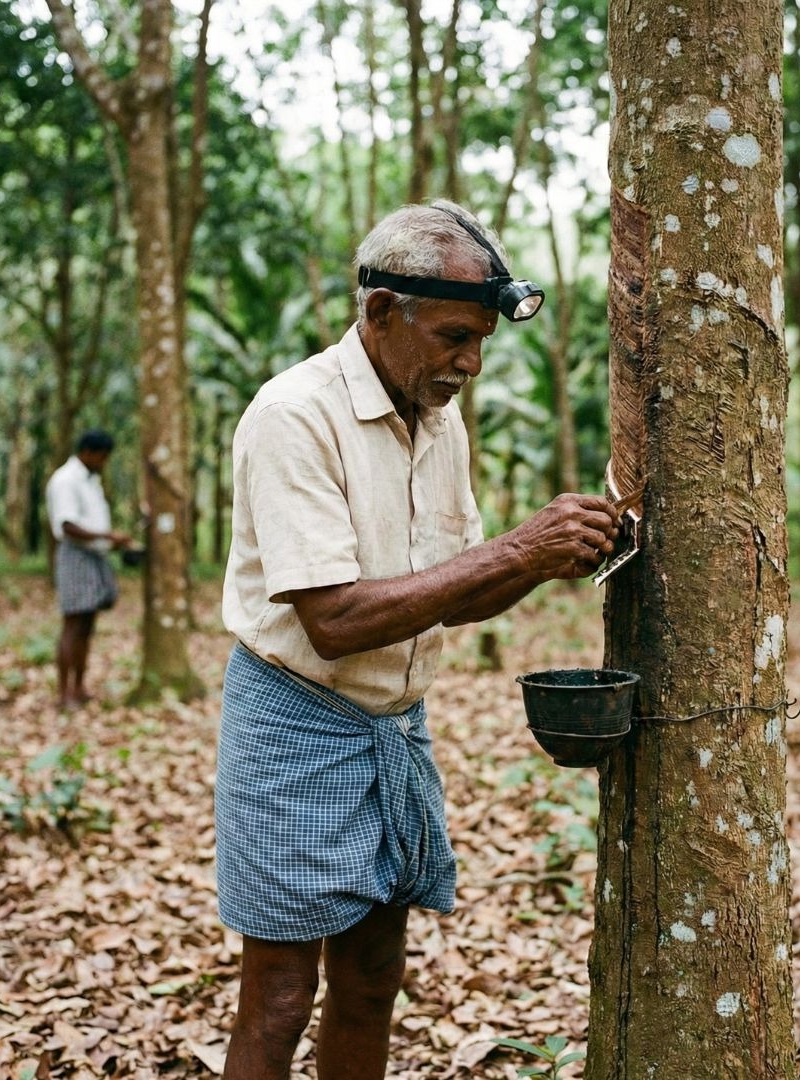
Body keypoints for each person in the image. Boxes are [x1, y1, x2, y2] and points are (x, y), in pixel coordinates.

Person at [216, 200, 621, 1080]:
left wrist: (550, 556)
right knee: (280, 998)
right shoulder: (294, 415)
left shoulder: (437, 417)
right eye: (451, 337)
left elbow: (449, 596)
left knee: (370, 980)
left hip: (394, 724)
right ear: (379, 313)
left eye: (479, 341)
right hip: (294, 722)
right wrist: (518, 546)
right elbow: (336, 620)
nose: (468, 364)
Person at [46, 430, 133, 708]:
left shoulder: (90, 481)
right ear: (87, 452)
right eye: (102, 456)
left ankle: (79, 687)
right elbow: (67, 525)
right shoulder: (66, 480)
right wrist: (108, 537)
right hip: (75, 557)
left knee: (87, 625)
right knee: (72, 624)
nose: (104, 462)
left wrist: (110, 542)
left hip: (94, 556)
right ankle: (63, 694)